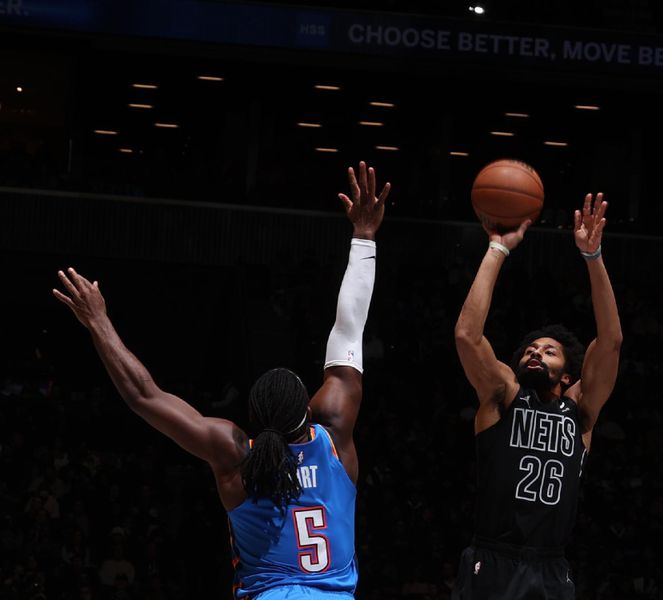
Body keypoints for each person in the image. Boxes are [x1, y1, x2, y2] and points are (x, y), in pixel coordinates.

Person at [53, 161, 390, 600]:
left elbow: (143, 395)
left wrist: (98, 320)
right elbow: (349, 326)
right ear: (309, 408)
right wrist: (364, 235)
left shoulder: (235, 456)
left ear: (252, 418)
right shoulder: (335, 439)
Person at [452, 193, 623, 599]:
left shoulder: (580, 410)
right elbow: (466, 336)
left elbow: (612, 341)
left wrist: (593, 256)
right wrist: (497, 247)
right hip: (493, 558)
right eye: (530, 349)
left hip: (550, 565)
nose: (535, 352)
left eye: (548, 351)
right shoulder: (502, 397)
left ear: (567, 375)